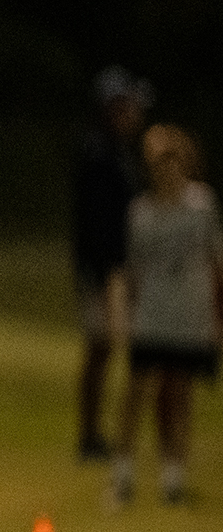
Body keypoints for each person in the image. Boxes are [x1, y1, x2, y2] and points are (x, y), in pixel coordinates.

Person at [108, 124, 222, 507]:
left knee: (181, 392)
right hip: (152, 315)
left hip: (190, 315)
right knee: (136, 391)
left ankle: (174, 476)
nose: (168, 172)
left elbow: (215, 262)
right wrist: (125, 313)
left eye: (174, 164)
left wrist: (217, 316)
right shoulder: (141, 212)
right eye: (160, 166)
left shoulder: (202, 206)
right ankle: (123, 473)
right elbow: (132, 269)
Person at [72, 67, 152, 461]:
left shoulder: (115, 152)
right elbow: (96, 222)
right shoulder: (100, 154)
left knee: (106, 348)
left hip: (113, 267)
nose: (135, 114)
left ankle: (101, 435)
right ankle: (90, 436)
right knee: (101, 347)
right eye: (128, 106)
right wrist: (107, 273)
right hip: (106, 270)